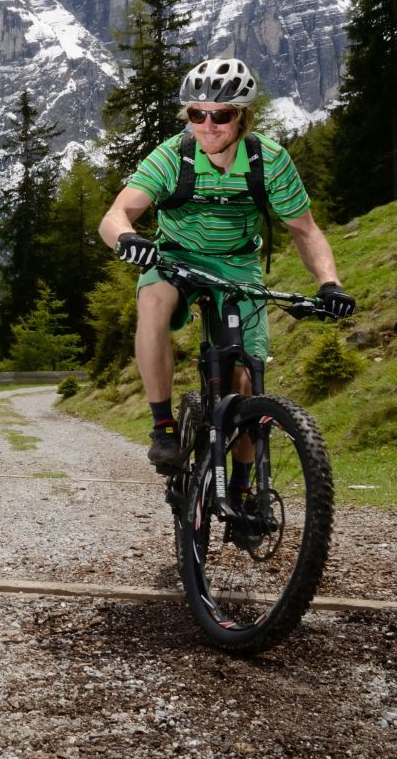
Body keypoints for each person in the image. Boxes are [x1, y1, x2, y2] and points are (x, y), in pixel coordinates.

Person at [97, 57, 355, 488]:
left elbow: (305, 230)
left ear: (242, 118)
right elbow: (116, 214)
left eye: (221, 115)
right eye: (197, 114)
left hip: (238, 265)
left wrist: (330, 283)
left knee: (245, 381)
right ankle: (162, 427)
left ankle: (239, 483)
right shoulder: (172, 158)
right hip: (175, 258)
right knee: (154, 301)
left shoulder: (269, 162)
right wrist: (127, 239)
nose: (208, 125)